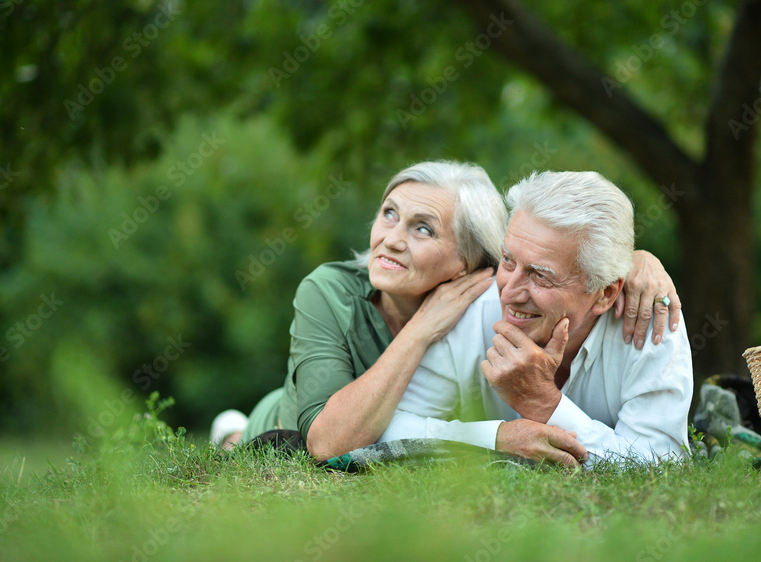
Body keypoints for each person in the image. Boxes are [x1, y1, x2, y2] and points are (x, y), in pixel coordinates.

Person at [211, 161, 682, 461]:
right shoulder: (331, 290)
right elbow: (339, 440)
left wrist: (642, 261)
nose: (391, 239)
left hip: (365, 410)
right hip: (303, 411)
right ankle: (231, 429)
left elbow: (661, 465)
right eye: (389, 213)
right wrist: (423, 330)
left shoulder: (648, 315)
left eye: (423, 229)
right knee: (253, 438)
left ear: (467, 265)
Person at [379, 171, 693, 466]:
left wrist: (544, 404)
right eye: (507, 260)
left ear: (605, 294)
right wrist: (494, 438)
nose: (507, 292)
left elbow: (663, 464)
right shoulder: (469, 309)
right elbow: (391, 428)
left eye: (540, 276)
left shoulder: (651, 322)